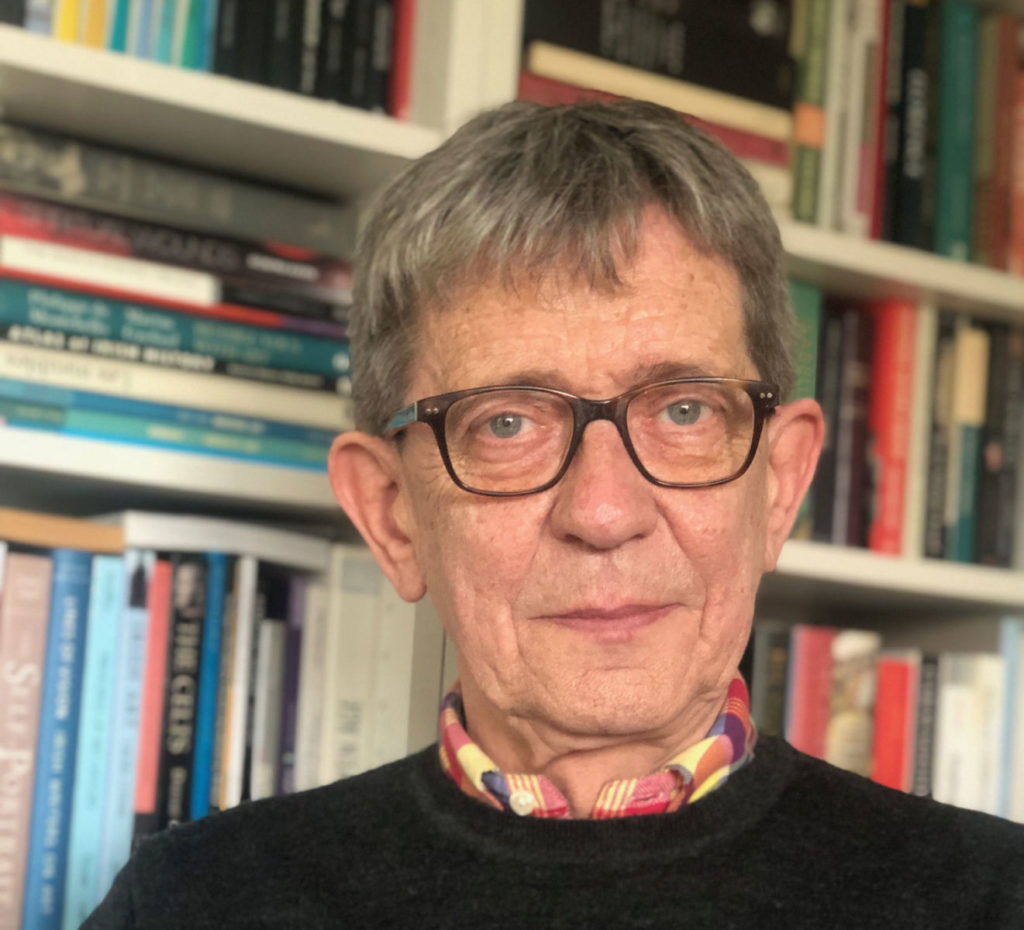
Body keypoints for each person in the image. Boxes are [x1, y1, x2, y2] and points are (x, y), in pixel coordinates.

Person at [84, 100, 1024, 929]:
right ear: (393, 515)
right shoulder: (189, 902)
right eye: (507, 423)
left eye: (684, 410)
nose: (605, 511)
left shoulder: (994, 897)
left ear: (777, 486)